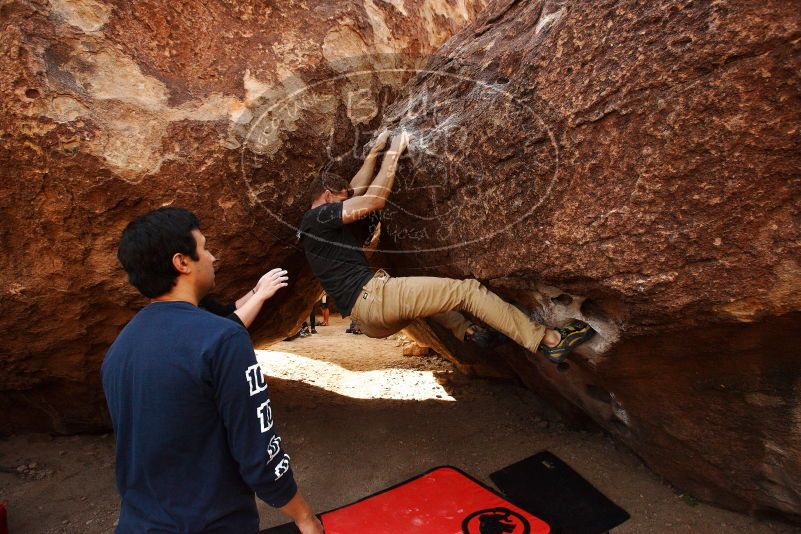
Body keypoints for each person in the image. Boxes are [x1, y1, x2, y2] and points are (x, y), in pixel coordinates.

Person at [103, 207, 323, 534]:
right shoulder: (223, 340)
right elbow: (259, 454)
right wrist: (305, 517)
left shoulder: (120, 348)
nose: (213, 257)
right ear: (182, 262)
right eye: (205, 248)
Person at [299, 131, 594, 363]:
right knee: (466, 291)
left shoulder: (314, 225)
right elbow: (372, 199)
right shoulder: (316, 216)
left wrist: (375, 151)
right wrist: (392, 154)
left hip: (370, 321)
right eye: (339, 200)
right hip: (374, 299)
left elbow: (356, 189)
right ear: (326, 198)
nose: (345, 202)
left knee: (428, 299)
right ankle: (549, 341)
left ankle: (468, 332)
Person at [200, 267, 289, 328]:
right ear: (185, 264)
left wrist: (255, 290)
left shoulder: (199, 299)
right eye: (203, 249)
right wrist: (260, 295)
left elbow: (224, 311)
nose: (212, 258)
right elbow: (223, 329)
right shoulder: (188, 315)